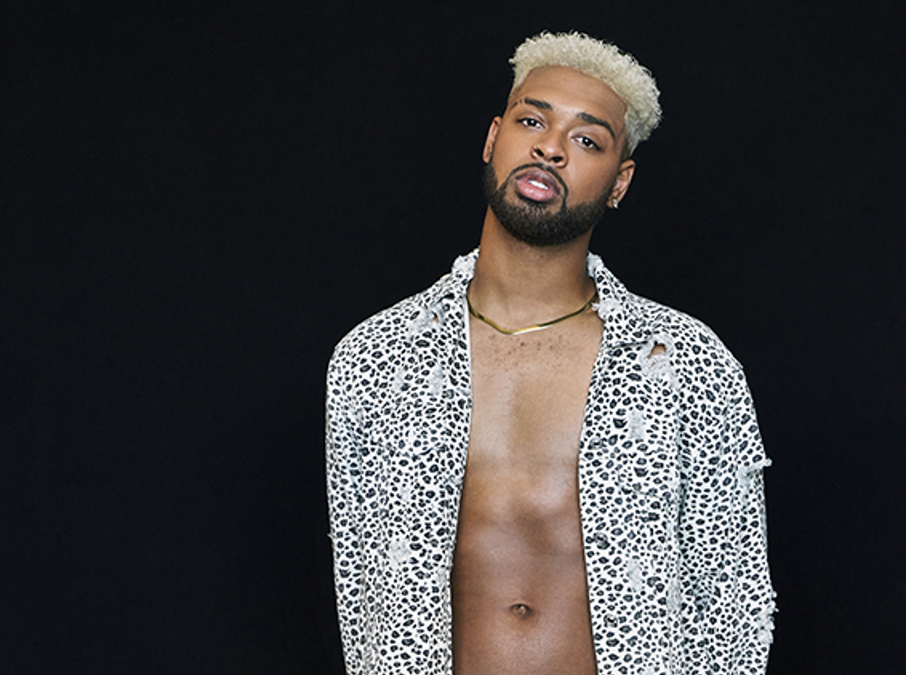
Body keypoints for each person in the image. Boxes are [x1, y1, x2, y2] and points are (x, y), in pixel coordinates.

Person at [326, 31, 775, 675]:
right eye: (532, 121)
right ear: (493, 138)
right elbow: (361, 597)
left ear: (620, 183)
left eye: (587, 140)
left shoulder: (685, 363)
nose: (551, 147)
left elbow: (733, 607)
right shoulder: (377, 357)